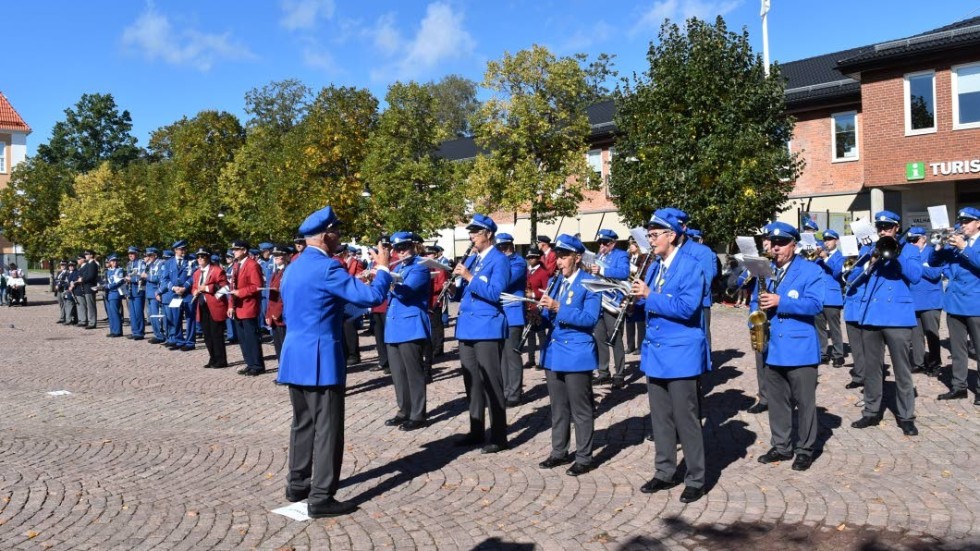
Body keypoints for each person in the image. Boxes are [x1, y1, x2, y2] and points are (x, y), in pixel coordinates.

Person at [277, 205, 392, 518]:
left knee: (302, 423)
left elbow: (311, 307)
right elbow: (372, 298)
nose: (340, 235)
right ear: (326, 234)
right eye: (337, 231)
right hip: (320, 357)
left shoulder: (294, 266)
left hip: (295, 354)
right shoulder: (329, 267)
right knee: (328, 428)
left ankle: (297, 484)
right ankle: (321, 496)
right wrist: (382, 269)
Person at [632, 210, 710, 502]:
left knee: (685, 419)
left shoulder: (691, 265)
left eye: (654, 235)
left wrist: (649, 295)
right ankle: (664, 471)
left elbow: (688, 308)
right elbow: (649, 302)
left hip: (681, 353)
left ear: (672, 235)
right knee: (661, 419)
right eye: (649, 235)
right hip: (657, 353)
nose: (650, 240)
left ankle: (696, 477)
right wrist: (630, 303)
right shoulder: (654, 266)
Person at [751, 221, 826, 471]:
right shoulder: (765, 271)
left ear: (793, 245)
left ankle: (805, 449)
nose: (776, 247)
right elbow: (755, 300)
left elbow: (815, 305)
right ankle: (782, 446)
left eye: (781, 243)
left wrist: (780, 301)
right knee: (777, 401)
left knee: (805, 403)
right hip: (772, 348)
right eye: (772, 243)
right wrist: (754, 317)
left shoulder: (810, 271)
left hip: (799, 348)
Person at [850, 211, 922, 436]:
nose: (883, 230)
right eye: (879, 226)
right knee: (872, 368)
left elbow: (916, 276)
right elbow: (851, 278)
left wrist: (896, 254)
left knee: (902, 370)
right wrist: (870, 262)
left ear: (896, 228)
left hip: (898, 317)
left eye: (887, 227)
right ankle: (871, 411)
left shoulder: (909, 249)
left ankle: (906, 416)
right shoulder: (868, 250)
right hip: (872, 316)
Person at [536, 234, 601, 476]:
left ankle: (584, 456)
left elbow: (590, 319)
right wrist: (537, 316)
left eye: (564, 257)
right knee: (558, 407)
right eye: (558, 257)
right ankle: (559, 451)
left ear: (577, 257)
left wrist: (558, 308)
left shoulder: (589, 282)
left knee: (580, 409)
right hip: (554, 353)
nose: (559, 262)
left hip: (576, 353)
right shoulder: (556, 282)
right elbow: (549, 318)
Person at [451, 213, 511, 454]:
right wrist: (455, 283)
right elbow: (465, 293)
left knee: (491, 383)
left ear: (488, 234)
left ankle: (498, 435)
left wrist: (468, 276)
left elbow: (496, 293)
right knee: (472, 382)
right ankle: (476, 429)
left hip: (487, 328)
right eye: (470, 233)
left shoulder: (500, 260)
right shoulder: (474, 260)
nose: (471, 237)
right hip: (467, 327)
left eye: (475, 233)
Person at [930, 206, 980, 404]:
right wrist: (939, 245)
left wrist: (964, 248)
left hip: (976, 304)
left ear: (978, 223)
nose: (963, 225)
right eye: (961, 222)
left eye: (967, 222)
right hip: (955, 304)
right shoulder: (955, 244)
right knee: (958, 349)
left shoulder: (967, 245)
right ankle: (959, 386)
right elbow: (933, 262)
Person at [383, 232, 432, 431]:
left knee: (413, 373)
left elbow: (407, 291)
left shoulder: (420, 267)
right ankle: (404, 410)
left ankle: (418, 414)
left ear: (412, 246)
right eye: (397, 249)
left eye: (404, 247)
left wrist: (385, 279)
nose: (401, 252)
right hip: (394, 326)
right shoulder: (399, 266)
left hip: (411, 327)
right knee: (398, 374)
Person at [590, 229, 630, 388]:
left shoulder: (621, 255)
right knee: (599, 338)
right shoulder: (598, 257)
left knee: (615, 338)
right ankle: (603, 372)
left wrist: (602, 270)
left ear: (613, 243)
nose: (602, 246)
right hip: (598, 301)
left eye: (605, 243)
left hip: (612, 302)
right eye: (600, 243)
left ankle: (619, 374)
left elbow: (624, 272)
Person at [905, 227, 944, 377]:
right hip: (913, 300)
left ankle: (934, 364)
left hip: (930, 301)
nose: (913, 243)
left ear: (924, 239)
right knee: (916, 335)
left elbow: (935, 273)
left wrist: (916, 267)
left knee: (932, 334)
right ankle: (919, 363)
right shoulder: (908, 254)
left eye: (915, 239)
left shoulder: (931, 252)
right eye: (910, 240)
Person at [496, 233, 528, 407]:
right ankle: (505, 390)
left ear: (510, 246)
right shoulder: (500, 261)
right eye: (499, 248)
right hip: (499, 313)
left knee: (512, 354)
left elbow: (504, 281)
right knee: (501, 355)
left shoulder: (518, 262)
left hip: (513, 313)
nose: (501, 251)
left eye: (504, 247)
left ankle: (515, 392)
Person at [229, 240, 266, 376]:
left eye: (236, 249)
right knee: (243, 339)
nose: (234, 252)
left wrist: (241, 292)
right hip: (238, 306)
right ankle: (249, 363)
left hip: (248, 305)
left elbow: (257, 286)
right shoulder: (236, 265)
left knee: (252, 338)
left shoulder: (252, 265)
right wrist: (230, 305)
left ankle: (257, 365)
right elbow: (233, 286)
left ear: (244, 250)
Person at [189, 247, 229, 369]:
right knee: (207, 335)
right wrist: (195, 291)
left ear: (208, 257)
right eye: (198, 257)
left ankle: (221, 359)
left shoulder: (217, 270)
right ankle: (212, 357)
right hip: (202, 305)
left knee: (216, 334)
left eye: (203, 256)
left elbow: (225, 287)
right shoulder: (196, 273)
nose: (200, 259)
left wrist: (206, 288)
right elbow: (194, 287)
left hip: (215, 306)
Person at [814, 230, 845, 367]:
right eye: (825, 239)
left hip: (833, 298)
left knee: (834, 329)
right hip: (819, 297)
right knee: (820, 328)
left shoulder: (840, 256)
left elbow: (838, 272)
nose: (827, 242)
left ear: (836, 241)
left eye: (830, 239)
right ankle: (823, 353)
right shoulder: (818, 258)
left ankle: (838, 355)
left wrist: (826, 258)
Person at [524, 247, 551, 369]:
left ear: (538, 258)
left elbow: (547, 291)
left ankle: (543, 360)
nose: (530, 260)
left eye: (533, 257)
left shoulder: (543, 272)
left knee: (541, 334)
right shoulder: (527, 271)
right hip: (528, 306)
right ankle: (531, 359)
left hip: (538, 306)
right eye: (529, 258)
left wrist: (534, 295)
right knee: (529, 334)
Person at [624, 237, 650, 353]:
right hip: (628, 289)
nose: (630, 247)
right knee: (629, 319)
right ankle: (630, 345)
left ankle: (640, 346)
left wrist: (635, 270)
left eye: (632, 244)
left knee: (640, 321)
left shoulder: (643, 258)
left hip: (638, 289)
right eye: (629, 244)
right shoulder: (628, 258)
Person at [265, 244, 290, 360]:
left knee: (285, 345)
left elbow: (286, 296)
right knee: (278, 345)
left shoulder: (288, 271)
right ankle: (282, 371)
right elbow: (271, 297)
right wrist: (268, 313)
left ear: (285, 257)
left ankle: (288, 373)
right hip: (274, 314)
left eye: (279, 255)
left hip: (283, 314)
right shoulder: (275, 273)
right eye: (274, 255)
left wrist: (277, 312)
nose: (276, 258)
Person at [144, 248, 167, 344]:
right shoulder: (150, 265)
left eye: (150, 255)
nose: (148, 258)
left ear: (155, 255)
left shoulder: (160, 264)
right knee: (152, 315)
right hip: (149, 292)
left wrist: (147, 277)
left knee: (158, 315)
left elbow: (160, 278)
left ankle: (161, 335)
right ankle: (157, 334)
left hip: (155, 292)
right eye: (147, 255)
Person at [124, 246, 147, 340]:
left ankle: (140, 332)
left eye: (132, 254)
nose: (130, 255)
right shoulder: (129, 264)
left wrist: (132, 279)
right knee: (132, 313)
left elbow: (143, 277)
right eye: (129, 254)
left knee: (138, 312)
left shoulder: (141, 263)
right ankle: (134, 331)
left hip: (138, 290)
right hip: (130, 291)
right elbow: (127, 275)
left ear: (137, 254)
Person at [75, 250, 100, 329]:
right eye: (85, 254)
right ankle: (90, 321)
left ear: (91, 255)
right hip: (86, 287)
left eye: (87, 254)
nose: (85, 255)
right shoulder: (89, 264)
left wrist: (83, 279)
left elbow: (91, 276)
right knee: (89, 305)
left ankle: (92, 322)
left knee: (91, 306)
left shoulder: (93, 264)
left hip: (90, 287)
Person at [103, 254, 126, 337]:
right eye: (112, 261)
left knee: (115, 312)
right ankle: (113, 330)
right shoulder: (108, 271)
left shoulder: (119, 270)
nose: (114, 262)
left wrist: (108, 286)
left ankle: (117, 331)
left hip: (115, 292)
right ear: (110, 262)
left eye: (116, 261)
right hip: (108, 293)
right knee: (110, 313)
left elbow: (119, 282)